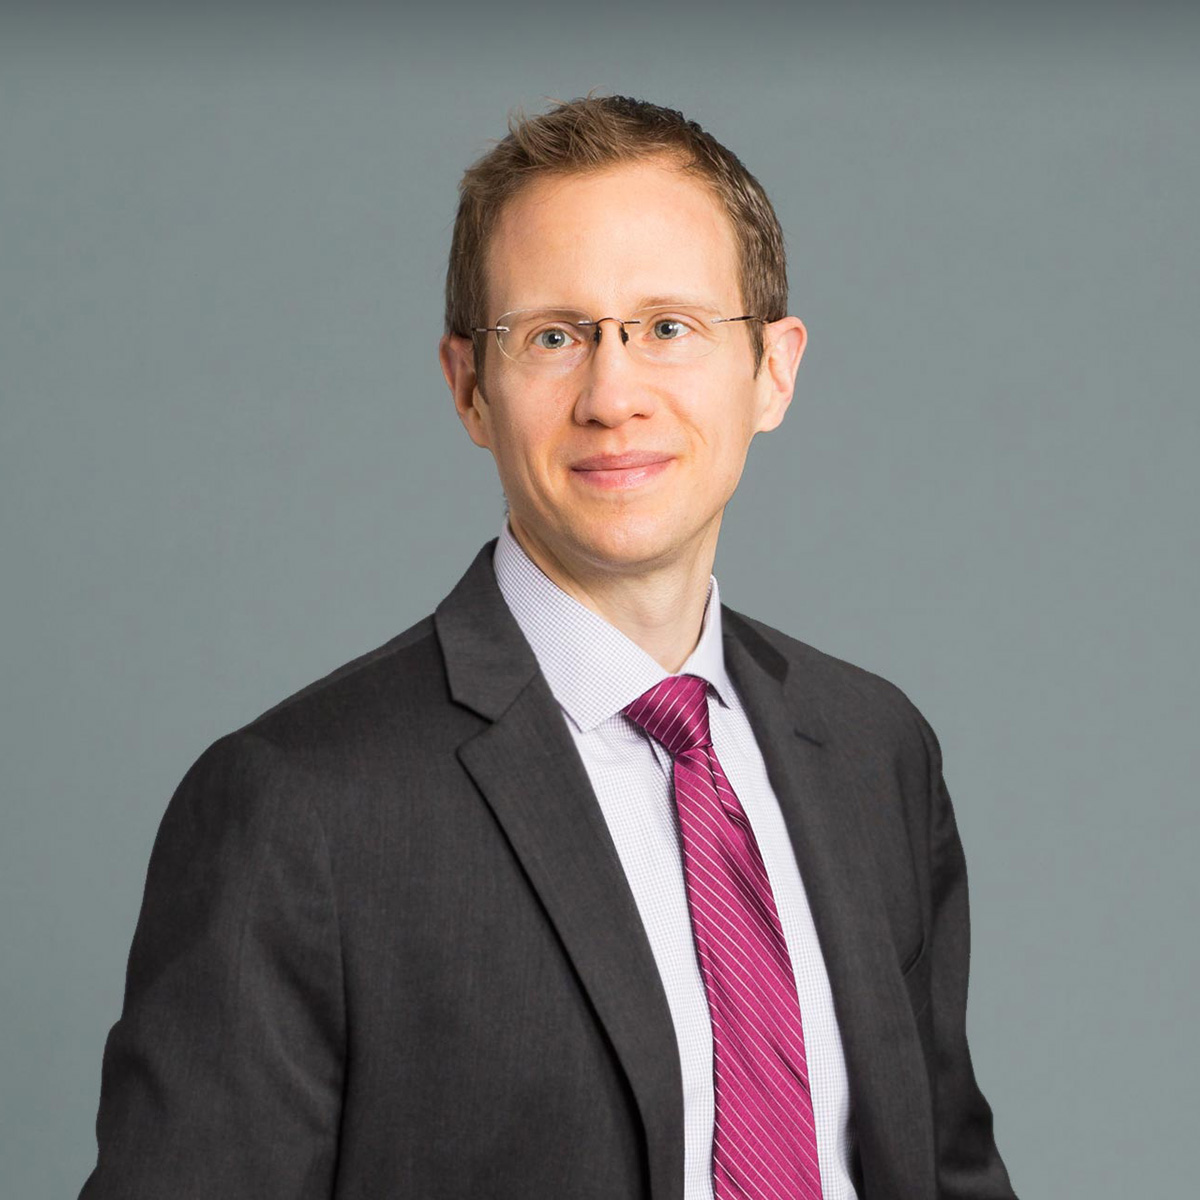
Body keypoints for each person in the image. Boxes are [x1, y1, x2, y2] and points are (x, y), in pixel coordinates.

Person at [79, 95, 1017, 1200]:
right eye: (554, 337)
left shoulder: (873, 752)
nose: (613, 396)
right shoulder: (299, 809)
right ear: (469, 388)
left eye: (669, 327)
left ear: (774, 369)